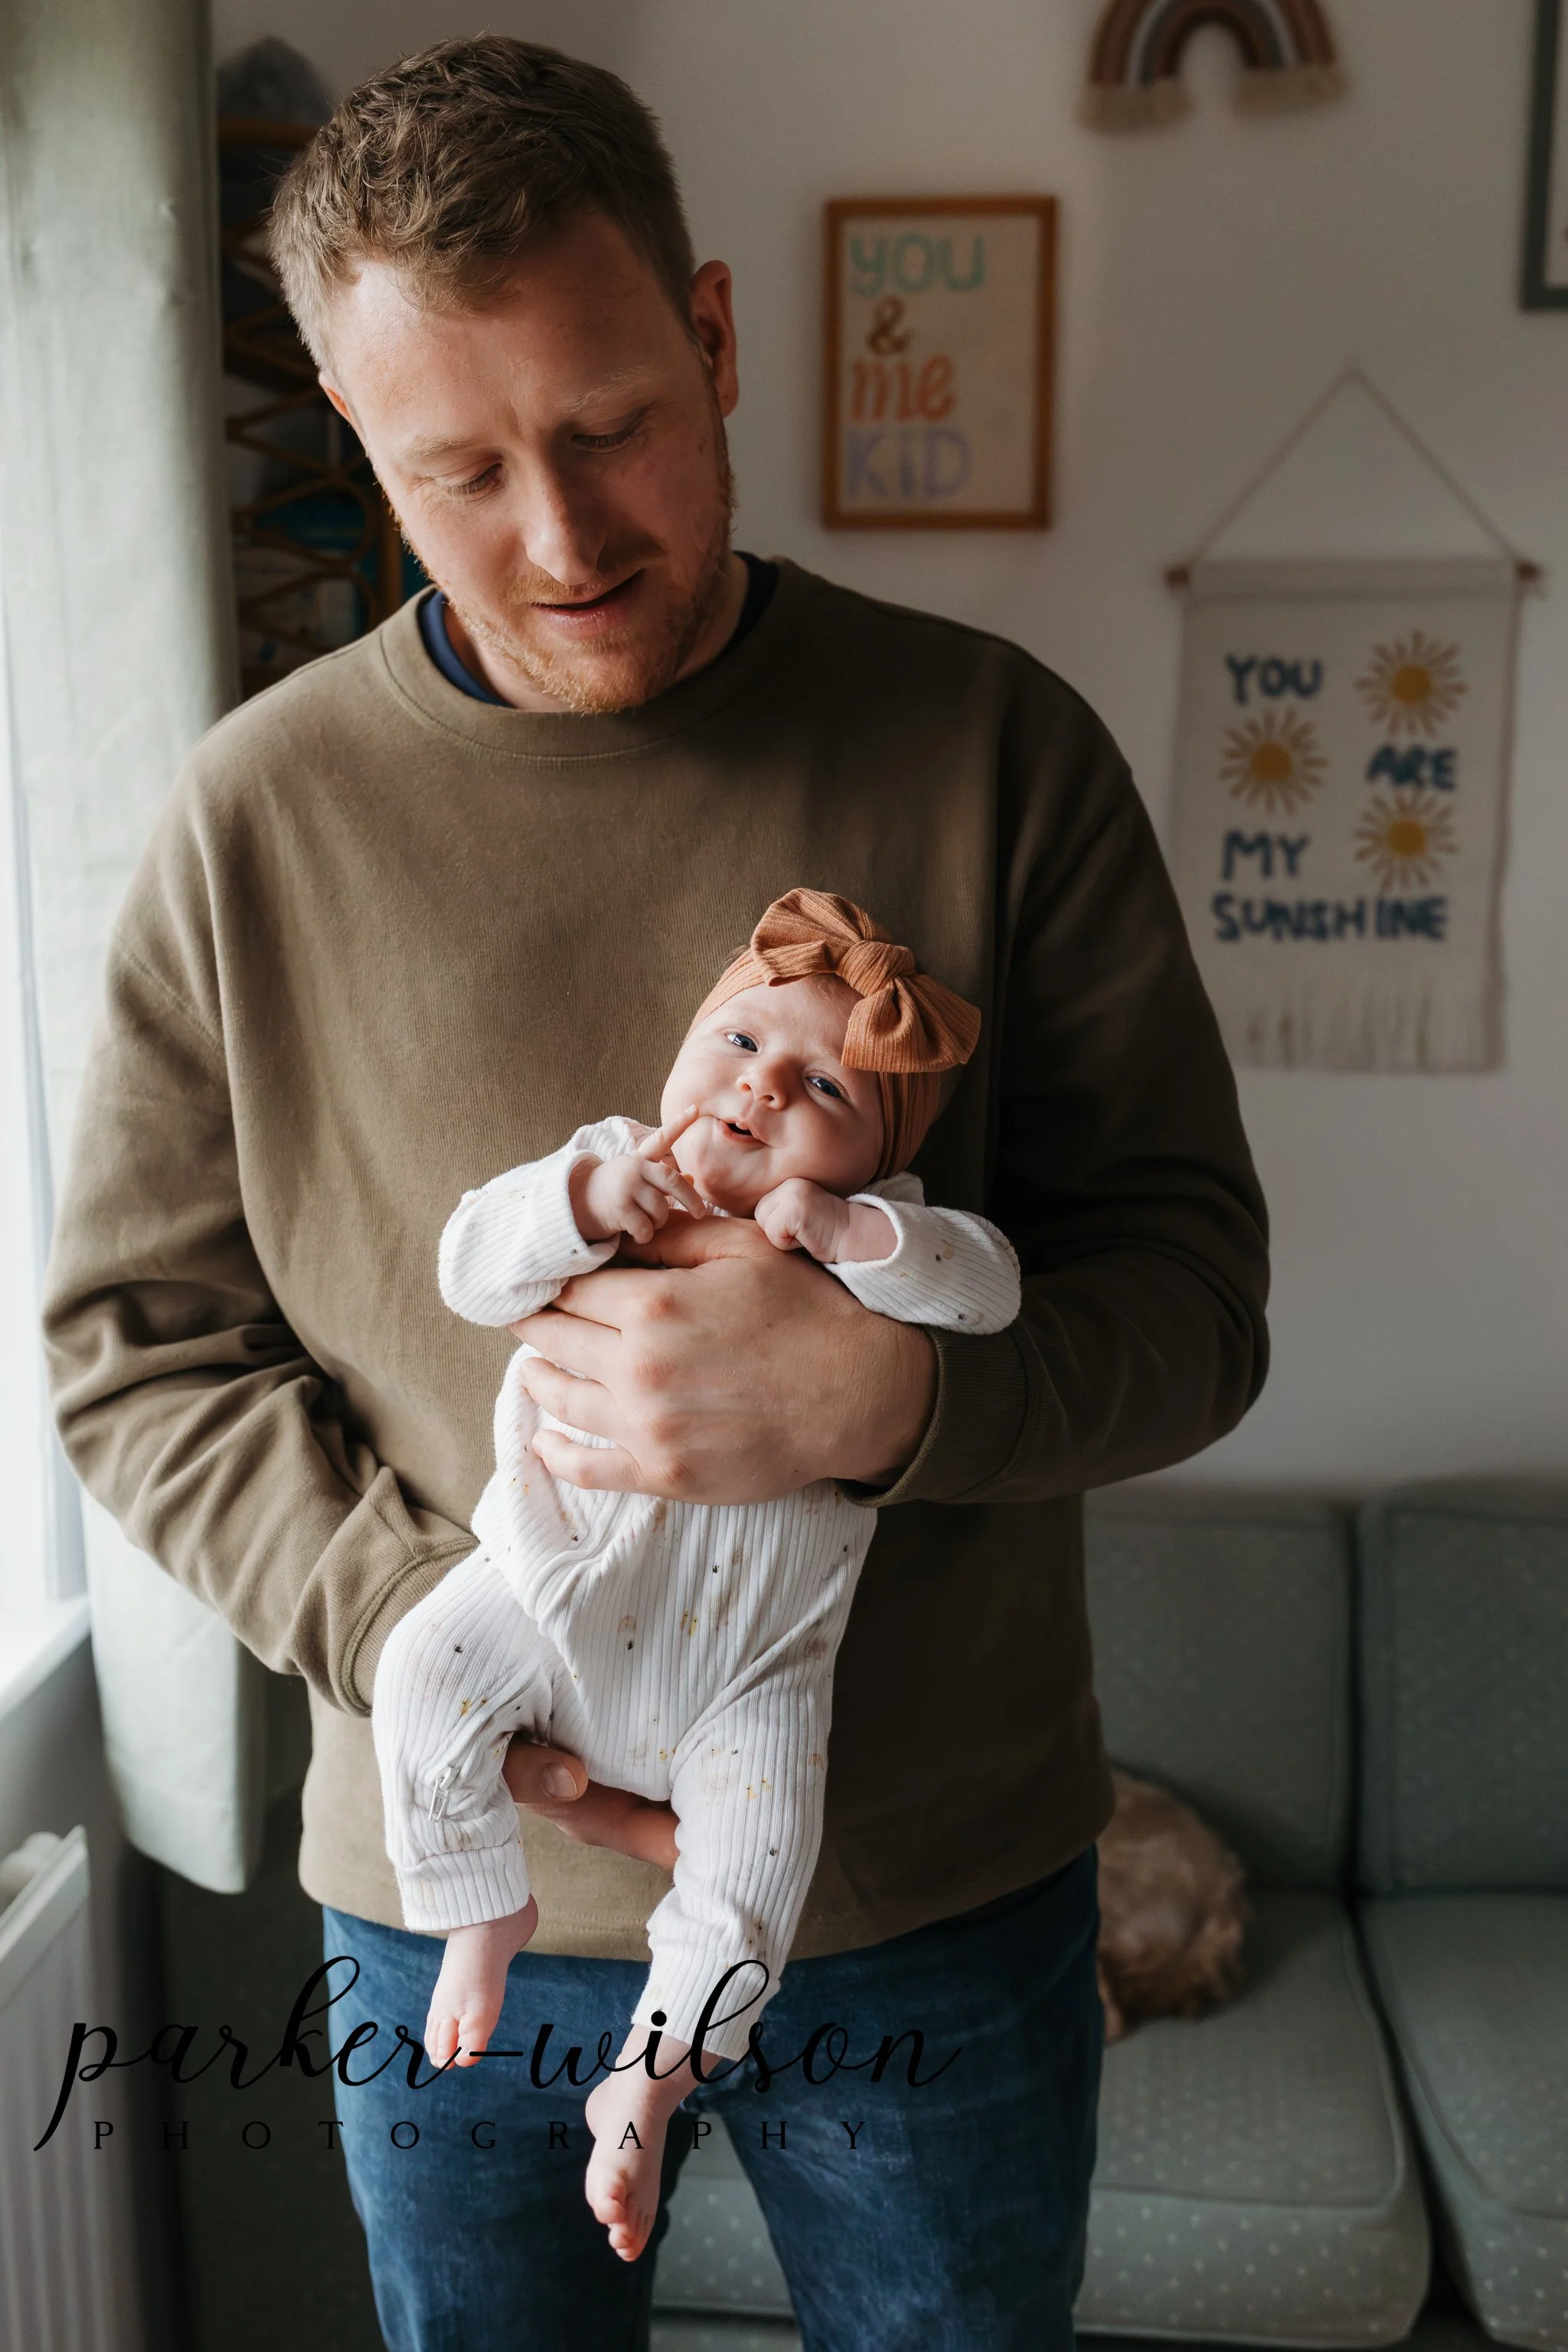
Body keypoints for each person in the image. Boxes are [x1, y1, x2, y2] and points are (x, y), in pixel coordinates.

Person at [41, 34, 1269, 2352]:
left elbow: (1198, 1298)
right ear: (346, 437)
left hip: (932, 1879)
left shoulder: (998, 747)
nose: (565, 537)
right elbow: (136, 1346)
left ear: (710, 337)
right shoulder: (245, 824)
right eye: (460, 470)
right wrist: (422, 1639)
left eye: (611, 425)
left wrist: (882, 1400)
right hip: (443, 1894)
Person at [377, 887, 1020, 2261]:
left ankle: (651, 2077)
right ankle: (482, 1911)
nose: (762, 1085)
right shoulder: (608, 1166)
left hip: (755, 1665)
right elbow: (467, 1267)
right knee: (419, 1672)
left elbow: (994, 1291)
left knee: (756, 1867)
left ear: (877, 1146)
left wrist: (858, 1240)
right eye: (737, 1041)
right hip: (549, 1587)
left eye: (825, 1083)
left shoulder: (879, 1238)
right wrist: (589, 1198)